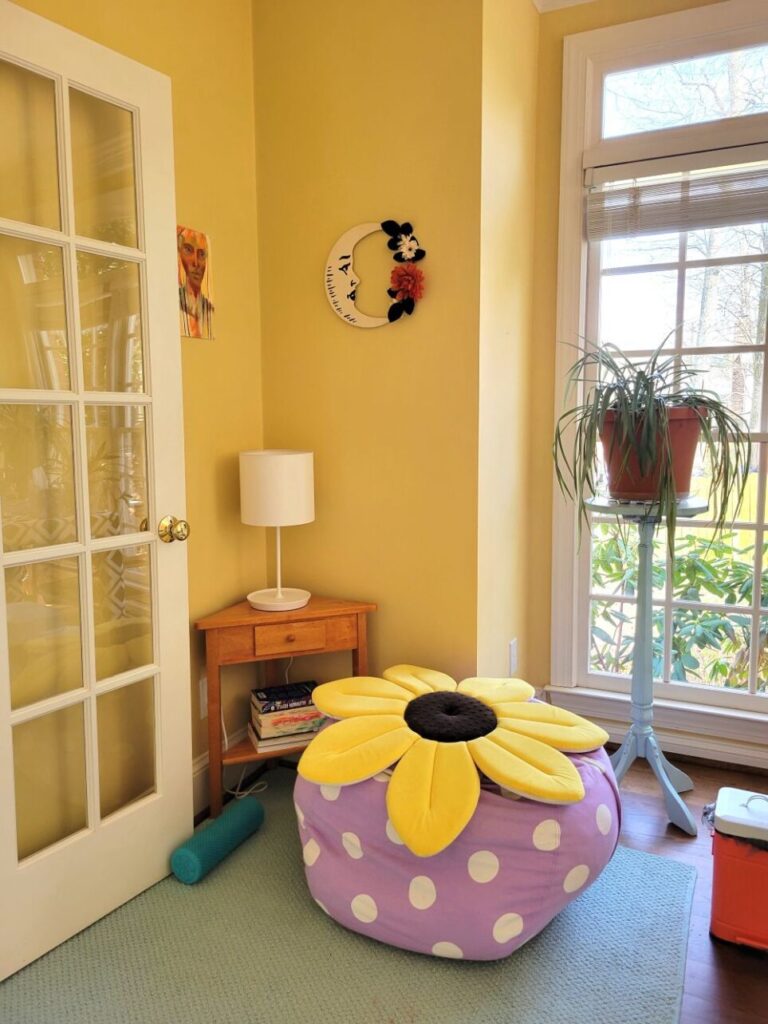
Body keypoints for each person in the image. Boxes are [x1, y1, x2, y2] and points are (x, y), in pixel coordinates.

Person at [178, 227, 214, 338]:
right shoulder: (173, 304)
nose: (196, 262)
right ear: (179, 255)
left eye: (202, 254)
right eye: (188, 250)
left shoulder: (209, 309)